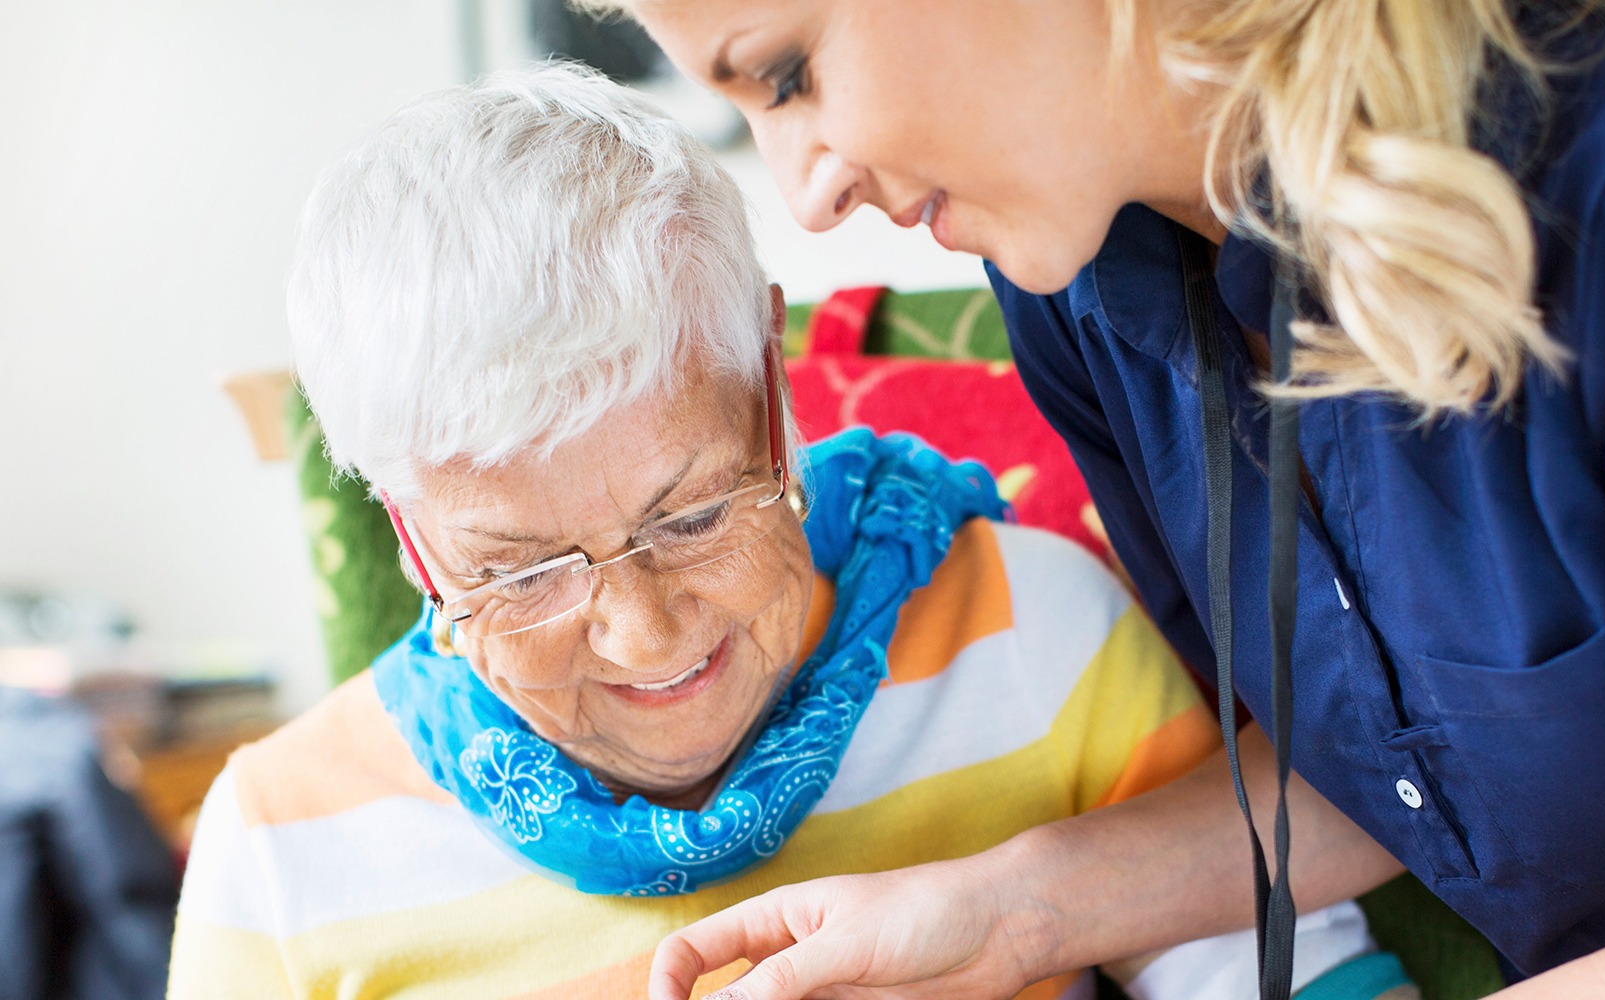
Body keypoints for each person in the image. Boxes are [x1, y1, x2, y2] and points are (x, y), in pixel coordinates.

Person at [625, 1, 1605, 998]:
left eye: (790, 71)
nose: (805, 195)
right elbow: (1421, 772)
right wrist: (1004, 914)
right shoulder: (1084, 285)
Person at [162, 63, 1409, 1000]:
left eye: (693, 514)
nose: (647, 637)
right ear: (412, 539)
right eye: (523, 572)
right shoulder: (277, 851)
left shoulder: (1031, 632)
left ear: (771, 383)